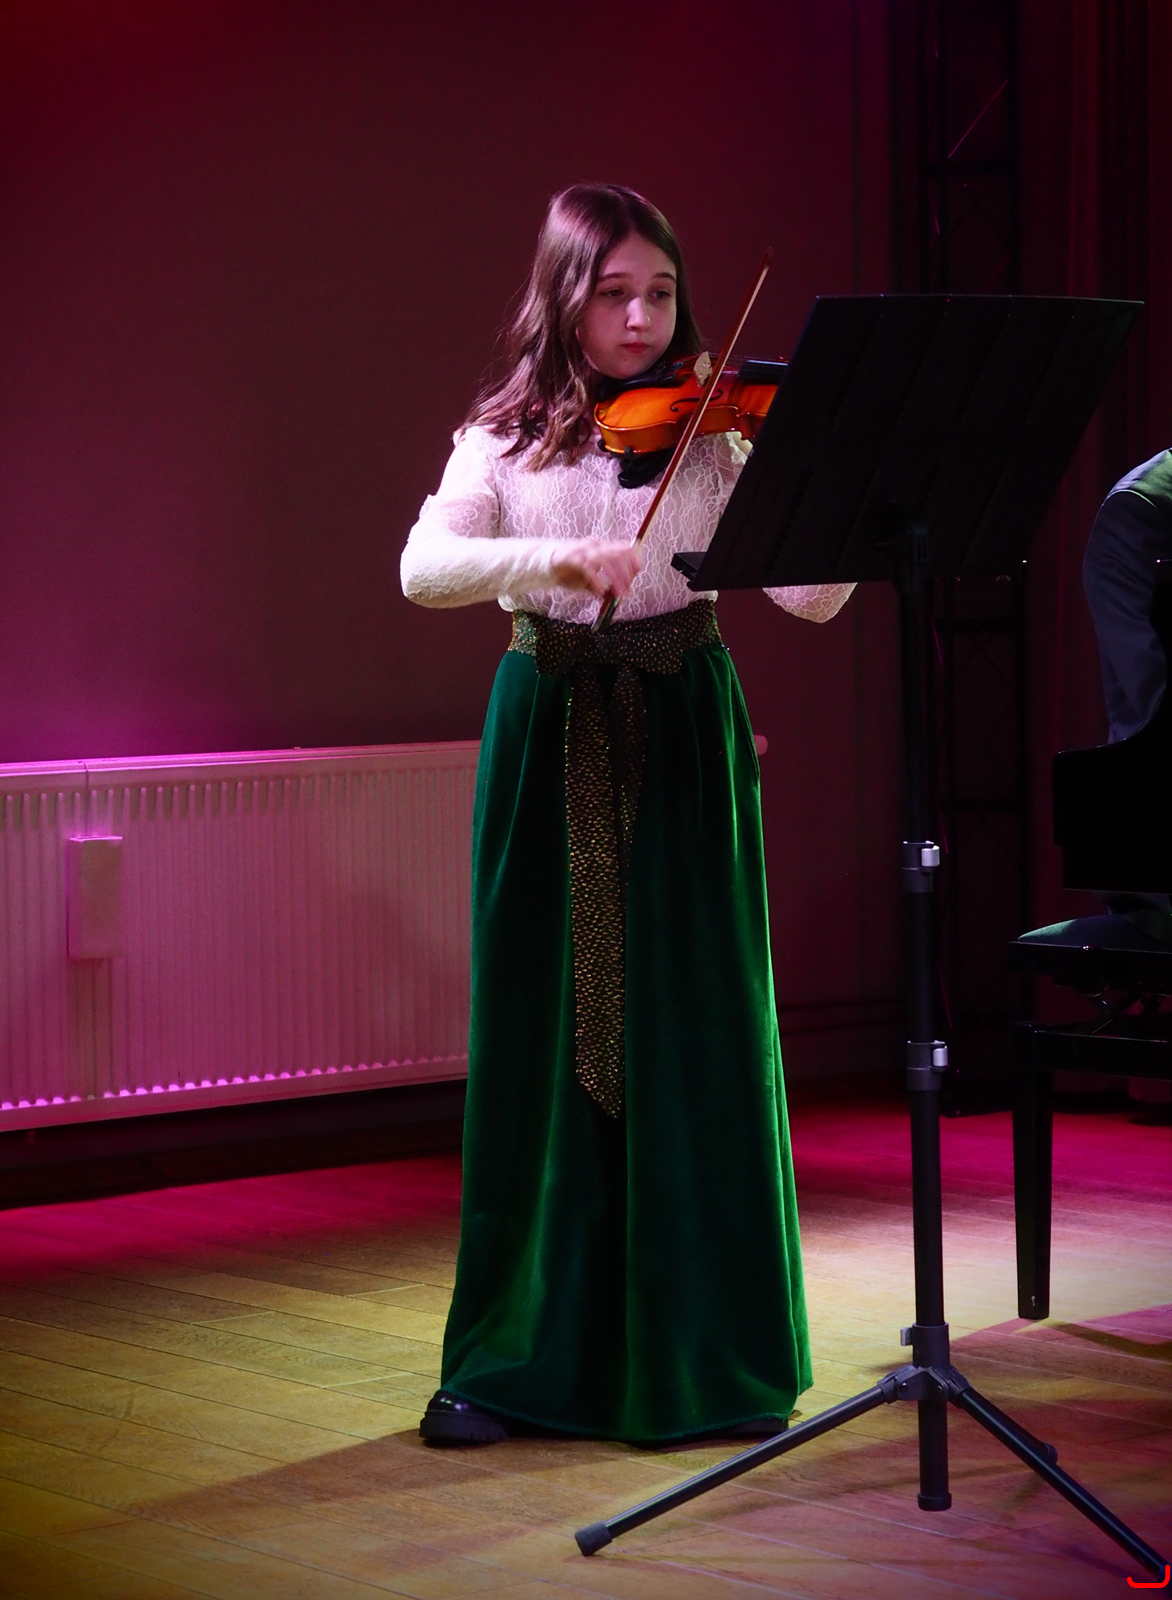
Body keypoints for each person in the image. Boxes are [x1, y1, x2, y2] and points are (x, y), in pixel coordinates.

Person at [400, 183, 854, 1446]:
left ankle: (711, 1357)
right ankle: (515, 1358)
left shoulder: (712, 438)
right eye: (614, 294)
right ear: (565, 299)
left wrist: (808, 472)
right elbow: (424, 568)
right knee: (542, 1033)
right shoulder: (500, 441)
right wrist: (546, 560)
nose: (643, 318)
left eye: (660, 292)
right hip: (550, 725)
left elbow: (813, 600)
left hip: (682, 727)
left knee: (696, 1028)